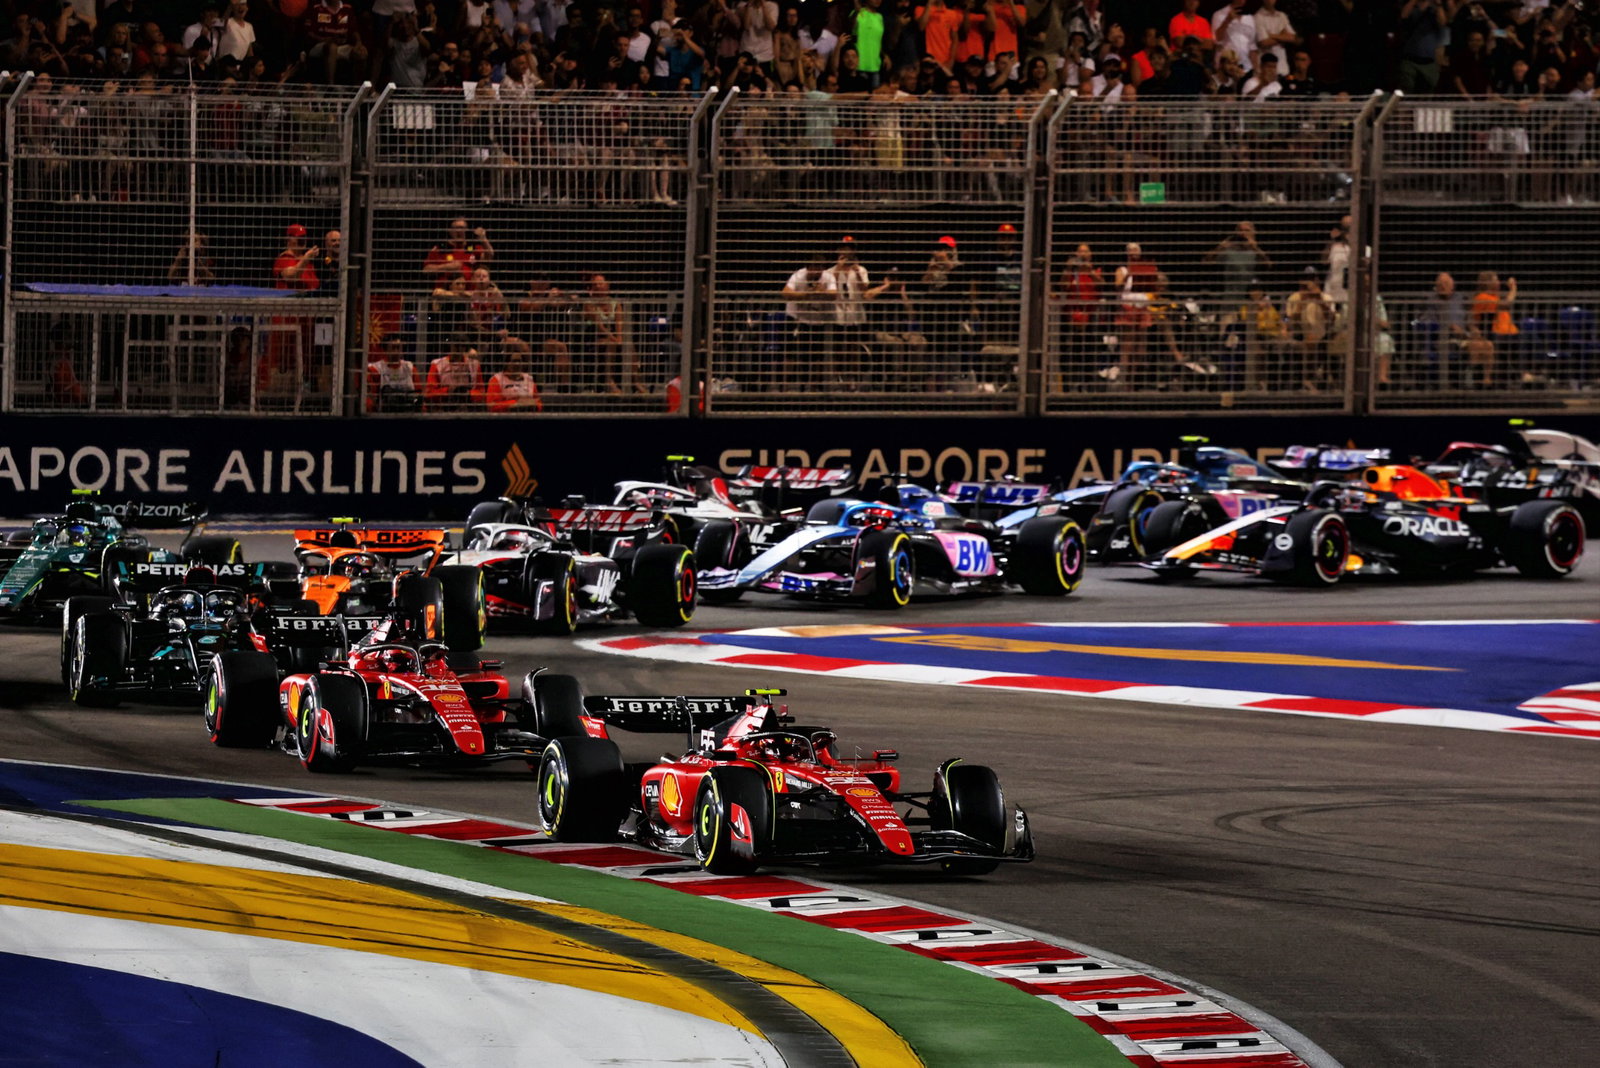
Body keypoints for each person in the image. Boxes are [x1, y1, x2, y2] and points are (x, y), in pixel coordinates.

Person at [821, 237, 893, 388]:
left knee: (855, 348)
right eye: (844, 248)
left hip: (856, 314)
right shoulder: (830, 271)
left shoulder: (861, 269)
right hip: (838, 315)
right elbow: (828, 288)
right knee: (838, 349)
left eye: (850, 248)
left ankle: (853, 378)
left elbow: (864, 290)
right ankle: (838, 378)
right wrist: (839, 268)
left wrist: (857, 273)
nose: (847, 251)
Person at [780, 255, 836, 392]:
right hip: (796, 317)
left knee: (817, 355)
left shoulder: (828, 277)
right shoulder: (798, 275)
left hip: (817, 319)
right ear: (808, 267)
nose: (818, 271)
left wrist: (822, 292)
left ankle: (815, 385)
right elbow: (785, 292)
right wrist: (806, 294)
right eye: (815, 267)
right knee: (791, 352)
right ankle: (785, 384)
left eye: (820, 267)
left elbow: (834, 294)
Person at [581, 272, 633, 393]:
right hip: (594, 336)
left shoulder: (615, 304)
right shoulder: (588, 304)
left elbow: (619, 322)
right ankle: (608, 381)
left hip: (612, 335)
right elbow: (599, 326)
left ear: (607, 285)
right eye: (595, 284)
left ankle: (636, 382)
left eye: (601, 283)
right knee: (610, 344)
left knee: (629, 346)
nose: (598, 286)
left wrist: (619, 337)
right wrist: (614, 339)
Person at [423, 217, 494, 283]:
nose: (459, 231)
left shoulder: (472, 248)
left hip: (469, 291)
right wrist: (446, 267)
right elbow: (426, 270)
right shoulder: (441, 248)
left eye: (462, 228)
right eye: (455, 228)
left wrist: (483, 239)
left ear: (466, 230)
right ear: (450, 231)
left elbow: (489, 257)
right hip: (445, 291)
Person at [425, 341, 484, 410]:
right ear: (450, 345)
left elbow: (481, 393)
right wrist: (448, 391)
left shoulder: (474, 365)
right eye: (456, 345)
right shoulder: (437, 364)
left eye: (462, 346)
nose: (459, 349)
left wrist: (468, 394)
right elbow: (430, 393)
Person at [486, 342, 544, 411]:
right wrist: (515, 403)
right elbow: (492, 406)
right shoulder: (497, 380)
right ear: (506, 363)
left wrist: (535, 405)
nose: (517, 364)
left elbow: (538, 402)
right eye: (514, 361)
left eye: (519, 361)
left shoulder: (528, 379)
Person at [273, 224, 319, 291]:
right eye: (299, 238)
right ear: (288, 240)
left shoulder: (308, 261)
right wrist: (306, 259)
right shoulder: (284, 258)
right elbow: (292, 276)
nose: (303, 241)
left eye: (304, 237)